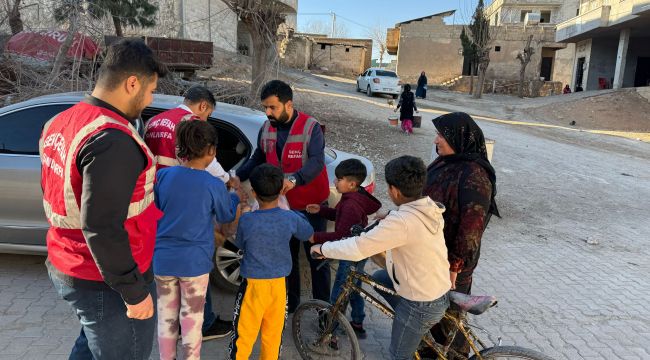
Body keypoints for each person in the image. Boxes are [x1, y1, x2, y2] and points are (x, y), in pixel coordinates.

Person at [39, 39, 166, 359]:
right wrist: (134, 293)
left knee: (93, 343)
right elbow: (102, 226)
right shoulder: (111, 139)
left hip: (72, 262)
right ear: (132, 83)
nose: (149, 100)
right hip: (106, 280)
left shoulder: (62, 121)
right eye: (150, 91)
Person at [311, 156, 451, 360]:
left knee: (398, 355)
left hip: (421, 302)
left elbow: (358, 247)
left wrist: (323, 248)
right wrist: (390, 216)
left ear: (394, 190)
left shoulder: (401, 222)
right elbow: (406, 224)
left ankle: (411, 321)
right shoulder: (428, 206)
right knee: (379, 279)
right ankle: (409, 322)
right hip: (436, 286)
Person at [144, 85, 234, 340]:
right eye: (208, 115)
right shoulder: (190, 122)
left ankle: (170, 329)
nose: (206, 121)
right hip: (187, 199)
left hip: (159, 197)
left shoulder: (154, 120)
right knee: (194, 261)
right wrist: (227, 181)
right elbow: (209, 162)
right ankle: (202, 325)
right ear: (203, 106)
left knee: (167, 268)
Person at [233, 80, 330, 313]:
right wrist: (237, 175)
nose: (268, 113)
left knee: (317, 257)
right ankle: (292, 305)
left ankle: (324, 313)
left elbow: (317, 160)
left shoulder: (310, 127)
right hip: (282, 207)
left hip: (311, 205)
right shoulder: (267, 128)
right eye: (265, 107)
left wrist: (295, 179)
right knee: (290, 259)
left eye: (272, 107)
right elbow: (258, 157)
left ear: (289, 104)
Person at [154, 120, 240, 360]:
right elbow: (226, 215)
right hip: (194, 264)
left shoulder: (163, 176)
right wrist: (233, 195)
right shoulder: (213, 185)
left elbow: (158, 209)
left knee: (167, 319)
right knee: (192, 321)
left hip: (163, 260)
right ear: (211, 151)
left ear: (180, 147)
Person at [423, 112, 500, 357]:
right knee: (434, 312)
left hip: (452, 262)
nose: (436, 140)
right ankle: (431, 350)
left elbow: (471, 228)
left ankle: (455, 355)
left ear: (458, 137)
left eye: (441, 135)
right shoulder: (446, 161)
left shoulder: (474, 174)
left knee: (449, 317)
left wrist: (454, 265)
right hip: (433, 253)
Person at [229, 164, 314, 359]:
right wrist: (296, 216)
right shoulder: (290, 218)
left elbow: (239, 243)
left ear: (253, 192)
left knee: (243, 337)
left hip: (252, 286)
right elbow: (308, 233)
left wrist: (245, 212)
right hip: (279, 286)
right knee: (273, 336)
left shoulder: (247, 220)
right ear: (281, 190)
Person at [306, 158, 381, 339]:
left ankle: (330, 329)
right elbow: (341, 218)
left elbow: (340, 236)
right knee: (354, 287)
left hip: (351, 252)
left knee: (340, 290)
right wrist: (322, 211)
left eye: (339, 179)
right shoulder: (353, 197)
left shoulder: (350, 204)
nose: (335, 182)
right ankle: (357, 321)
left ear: (352, 183)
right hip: (359, 250)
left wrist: (316, 237)